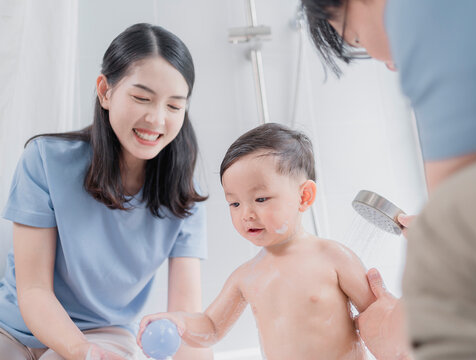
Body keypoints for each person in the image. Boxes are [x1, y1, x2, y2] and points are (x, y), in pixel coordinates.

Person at [301, 0, 476, 359]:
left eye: (356, 38)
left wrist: (392, 329)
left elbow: (461, 239)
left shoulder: (417, 13)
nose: (390, 62)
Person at [0, 23, 213, 360]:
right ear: (105, 91)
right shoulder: (45, 159)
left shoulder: (185, 195)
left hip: (105, 335)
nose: (156, 120)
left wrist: (92, 350)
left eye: (174, 106)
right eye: (142, 98)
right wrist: (80, 350)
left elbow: (185, 320)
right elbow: (34, 289)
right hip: (13, 328)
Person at [137, 123, 377, 359]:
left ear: (304, 196)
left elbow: (378, 316)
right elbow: (211, 327)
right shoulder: (246, 277)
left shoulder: (333, 258)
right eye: (235, 203)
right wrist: (179, 321)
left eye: (261, 199)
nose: (246, 214)